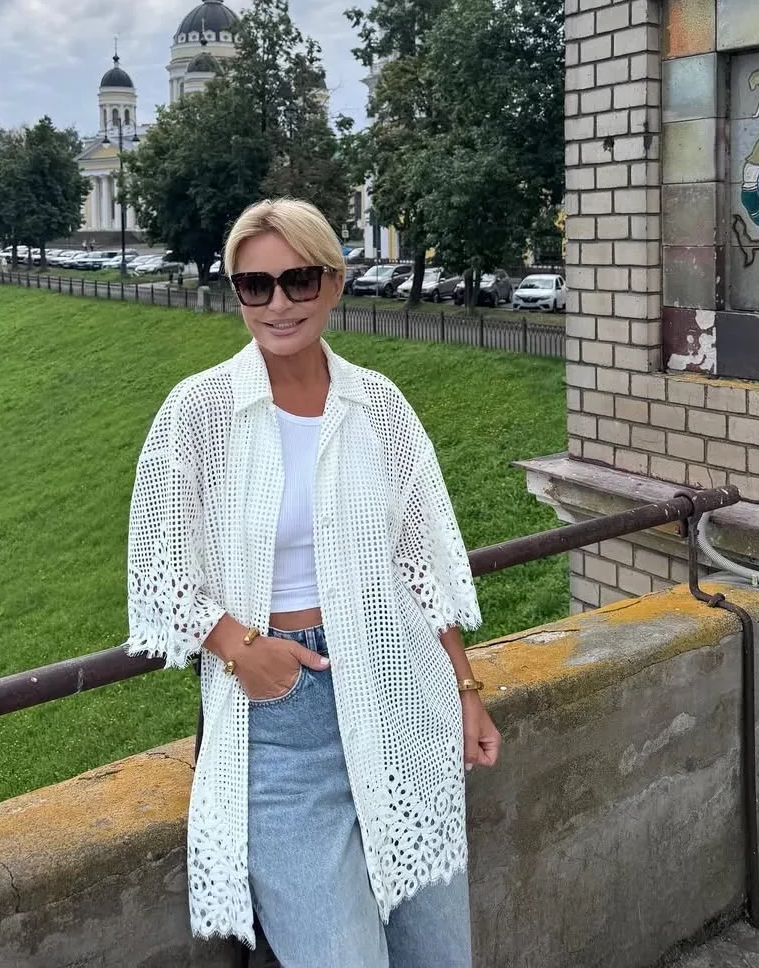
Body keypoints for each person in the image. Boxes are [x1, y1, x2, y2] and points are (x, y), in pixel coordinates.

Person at [126, 197, 500, 966]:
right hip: (280, 729)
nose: (277, 304)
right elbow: (159, 567)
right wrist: (243, 649)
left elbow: (421, 563)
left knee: (440, 953)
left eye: (297, 280)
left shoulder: (379, 406)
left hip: (398, 694)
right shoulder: (199, 411)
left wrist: (466, 689)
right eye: (254, 285)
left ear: (333, 283)